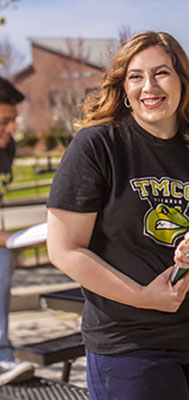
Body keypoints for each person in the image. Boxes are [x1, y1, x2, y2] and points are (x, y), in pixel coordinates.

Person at [47, 31, 189, 400]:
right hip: (130, 343)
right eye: (136, 76)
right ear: (123, 88)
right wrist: (143, 296)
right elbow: (64, 249)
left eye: (161, 72)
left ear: (183, 81)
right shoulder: (98, 147)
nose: (149, 86)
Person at [0, 78, 34, 385]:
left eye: (13, 121)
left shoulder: (5, 149)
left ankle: (2, 357)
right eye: (3, 122)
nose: (11, 129)